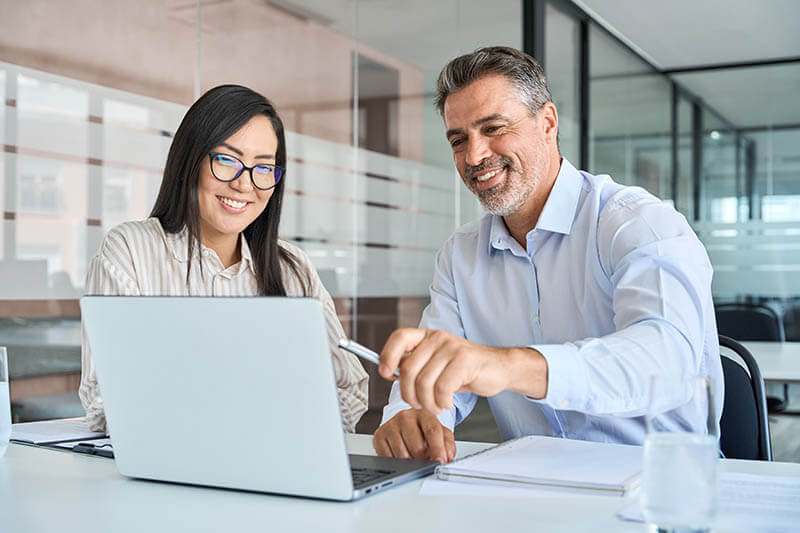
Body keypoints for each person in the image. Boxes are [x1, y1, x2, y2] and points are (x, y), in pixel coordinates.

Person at [373, 47, 723, 463]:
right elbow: (439, 374)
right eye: (458, 139)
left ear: (548, 123)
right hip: (532, 488)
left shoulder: (637, 224)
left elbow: (667, 363)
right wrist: (412, 414)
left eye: (493, 128)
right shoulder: (460, 255)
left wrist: (507, 366)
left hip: (658, 490)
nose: (473, 156)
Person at [79, 85, 368, 433]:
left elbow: (349, 389)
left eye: (263, 168)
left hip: (280, 463)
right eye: (227, 160)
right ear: (191, 161)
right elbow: (105, 399)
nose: (245, 184)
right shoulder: (131, 251)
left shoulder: (292, 267)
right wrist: (272, 401)